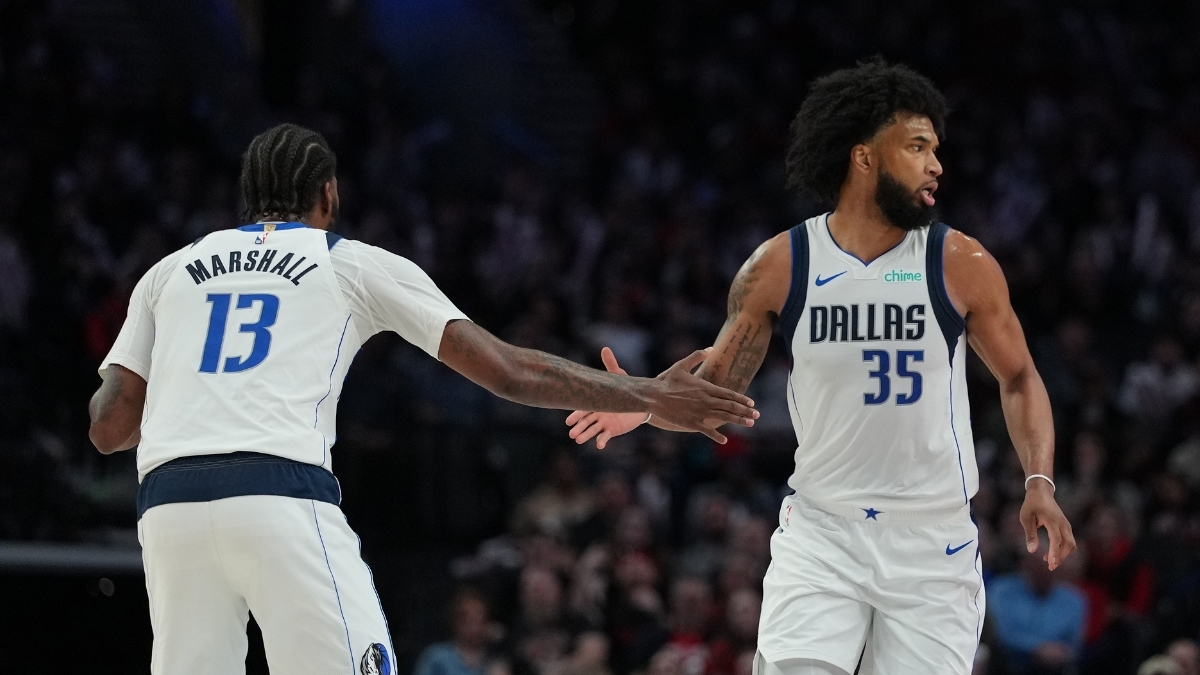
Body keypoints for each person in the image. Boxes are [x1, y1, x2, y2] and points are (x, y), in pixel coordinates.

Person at [86, 123, 759, 675]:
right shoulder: (347, 261)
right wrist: (647, 394)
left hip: (168, 505)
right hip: (278, 491)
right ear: (328, 194)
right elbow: (504, 369)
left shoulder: (167, 273)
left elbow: (109, 427)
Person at [565, 59, 1076, 674]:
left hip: (932, 541)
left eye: (936, 149)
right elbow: (715, 395)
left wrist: (1039, 482)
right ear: (863, 157)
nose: (936, 165)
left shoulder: (958, 261)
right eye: (917, 147)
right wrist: (643, 405)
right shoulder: (782, 264)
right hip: (824, 533)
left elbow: (1019, 377)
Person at [988, 532, 1086, 674]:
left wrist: (1059, 652)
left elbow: (1074, 645)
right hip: (1011, 665)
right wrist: (1036, 648)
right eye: (1036, 563)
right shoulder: (1001, 591)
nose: (1042, 569)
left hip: (1056, 667)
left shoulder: (1074, 600)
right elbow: (1000, 634)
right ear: (1025, 563)